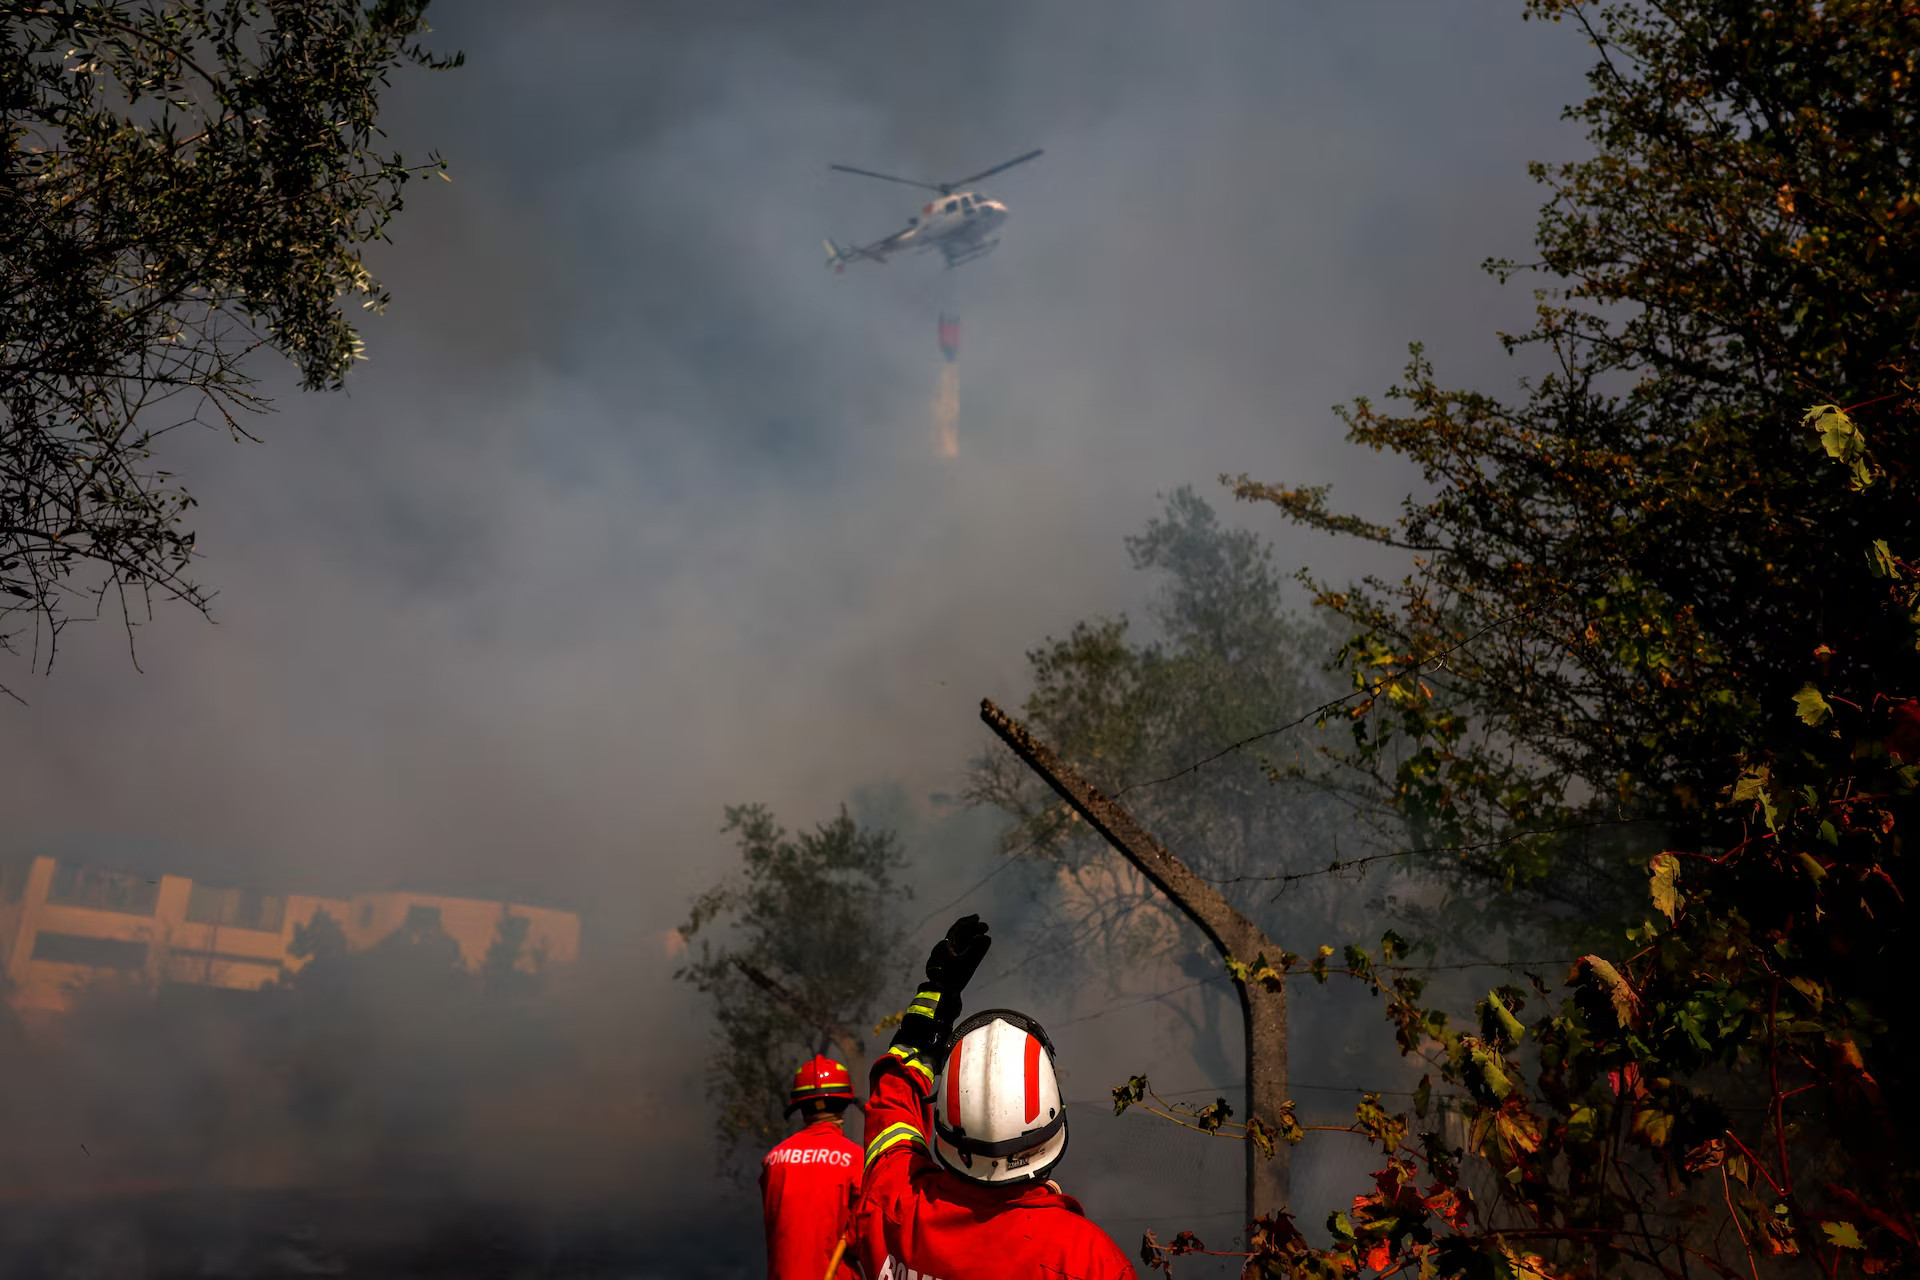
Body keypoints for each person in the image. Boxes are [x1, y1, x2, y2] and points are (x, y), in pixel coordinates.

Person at [856, 915, 1136, 1279]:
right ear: (1051, 1127)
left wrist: (935, 997)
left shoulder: (893, 1204)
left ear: (946, 1125)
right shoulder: (1088, 1260)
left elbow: (892, 1104)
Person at [762, 1053, 863, 1280]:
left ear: (800, 1106)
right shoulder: (856, 1159)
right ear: (844, 1104)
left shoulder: (773, 1160)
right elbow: (863, 1238)